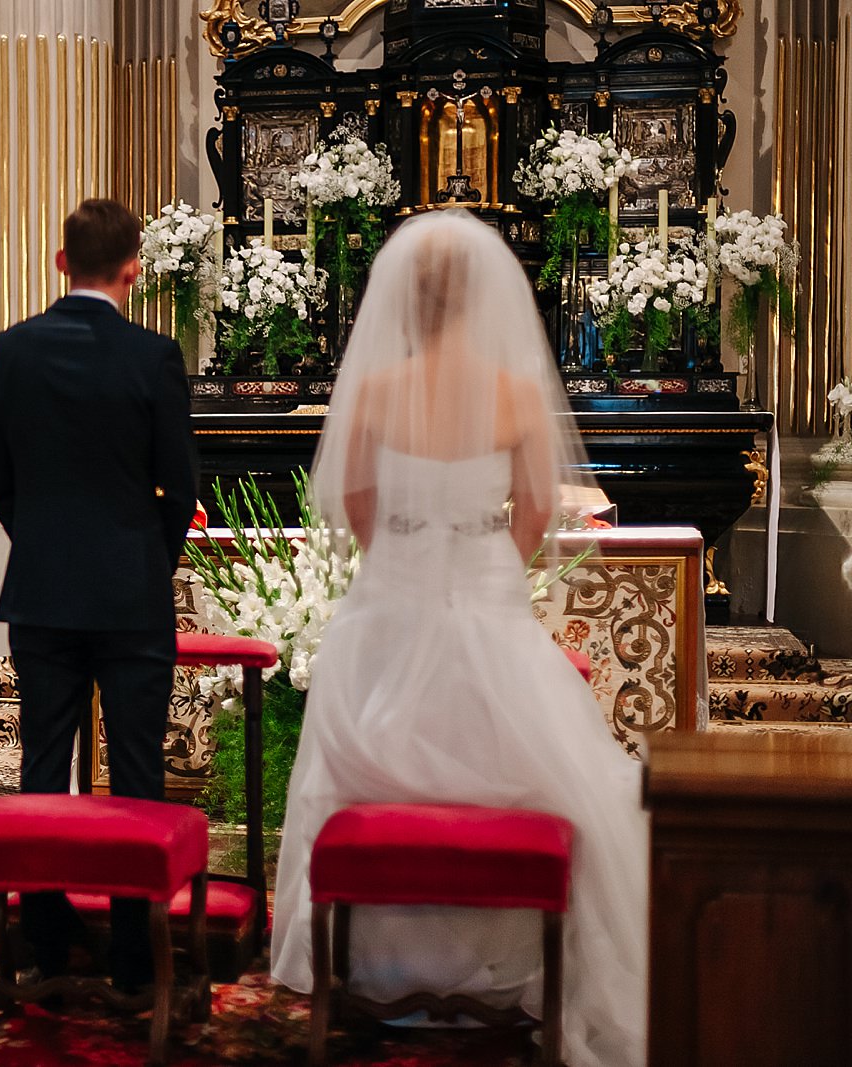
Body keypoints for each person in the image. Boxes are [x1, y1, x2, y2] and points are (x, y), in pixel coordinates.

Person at [267, 210, 648, 1067]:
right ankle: (506, 962)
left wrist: (403, 561)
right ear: (480, 299)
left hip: (389, 599)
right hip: (485, 594)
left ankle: (380, 967)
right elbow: (541, 512)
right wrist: (484, 568)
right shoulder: (514, 393)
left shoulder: (371, 390)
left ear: (403, 301)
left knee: (362, 771)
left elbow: (356, 505)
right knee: (533, 768)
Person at [0, 198, 198, 990]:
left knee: (42, 764)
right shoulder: (154, 356)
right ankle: (138, 958)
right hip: (131, 593)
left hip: (40, 591)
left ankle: (44, 938)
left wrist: (40, 539)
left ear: (61, 262)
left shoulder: (10, 351)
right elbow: (181, 486)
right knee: (137, 770)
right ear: (134, 269)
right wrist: (148, 558)